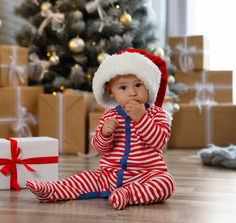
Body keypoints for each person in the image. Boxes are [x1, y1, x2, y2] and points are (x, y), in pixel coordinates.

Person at [26, 48, 175, 210]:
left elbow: (159, 141)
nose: (132, 93)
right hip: (110, 175)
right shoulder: (109, 116)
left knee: (166, 183)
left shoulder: (157, 114)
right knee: (85, 178)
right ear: (110, 91)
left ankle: (128, 194)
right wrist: (104, 133)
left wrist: (142, 119)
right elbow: (100, 148)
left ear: (148, 86)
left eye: (138, 85)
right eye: (123, 88)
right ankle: (52, 190)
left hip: (146, 175)